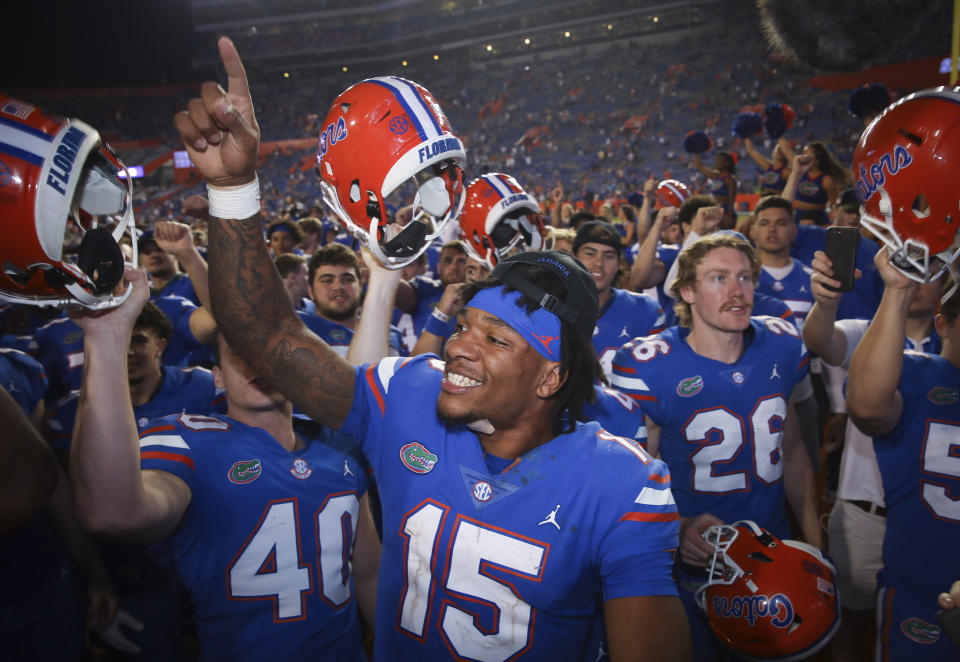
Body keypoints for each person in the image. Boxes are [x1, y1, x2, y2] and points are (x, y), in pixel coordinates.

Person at [175, 36, 692, 661]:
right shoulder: (409, 394)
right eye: (466, 325)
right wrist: (233, 190)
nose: (461, 348)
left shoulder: (623, 481)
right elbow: (265, 335)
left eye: (497, 339)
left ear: (550, 378)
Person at [70, 269, 379, 661]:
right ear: (217, 376)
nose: (257, 365)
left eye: (269, 352)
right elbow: (110, 512)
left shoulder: (338, 446)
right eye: (238, 353)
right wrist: (106, 337)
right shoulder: (190, 441)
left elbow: (368, 572)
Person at [611, 232, 819, 661]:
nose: (736, 290)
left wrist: (814, 541)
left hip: (772, 555)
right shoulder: (651, 365)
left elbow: (794, 449)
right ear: (686, 290)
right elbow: (631, 481)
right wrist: (679, 525)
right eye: (718, 278)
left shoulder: (781, 344)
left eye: (744, 277)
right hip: (689, 564)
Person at [802, 247, 942, 661]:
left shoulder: (952, 346)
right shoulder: (866, 331)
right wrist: (825, 304)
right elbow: (820, 340)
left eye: (928, 271)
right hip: (865, 511)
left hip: (929, 517)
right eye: (906, 270)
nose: (915, 282)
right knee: (849, 621)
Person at [846, 250, 960, 662]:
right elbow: (867, 406)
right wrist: (896, 289)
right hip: (919, 595)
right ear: (945, 325)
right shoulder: (916, 374)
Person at [574, 220, 664, 379]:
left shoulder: (645, 310)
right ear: (573, 258)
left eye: (608, 256)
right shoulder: (547, 309)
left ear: (618, 264)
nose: (599, 263)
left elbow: (660, 379)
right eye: (590, 253)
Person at [300, 243, 404, 357]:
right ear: (311, 292)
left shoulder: (391, 334)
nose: (338, 286)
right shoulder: (300, 328)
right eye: (327, 280)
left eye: (347, 279)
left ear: (360, 286)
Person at [693, 151, 738, 228]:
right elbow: (700, 167)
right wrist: (695, 151)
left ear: (727, 163)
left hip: (726, 212)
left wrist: (729, 216)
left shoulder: (730, 179)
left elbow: (732, 200)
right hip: (715, 210)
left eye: (719, 160)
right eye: (716, 160)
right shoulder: (716, 176)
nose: (716, 163)